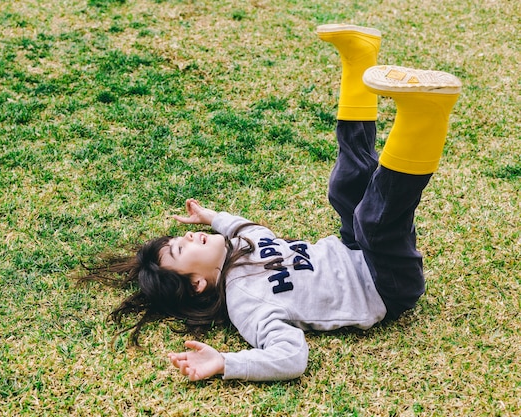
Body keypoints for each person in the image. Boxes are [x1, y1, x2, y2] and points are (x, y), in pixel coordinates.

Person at [77, 24, 462, 381]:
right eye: (181, 248)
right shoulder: (246, 304)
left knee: (344, 188)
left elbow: (246, 228)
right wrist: (227, 362)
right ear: (196, 283)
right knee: (374, 220)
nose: (190, 238)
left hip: (351, 248)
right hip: (385, 284)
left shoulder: (244, 247)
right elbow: (292, 357)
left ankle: (361, 59)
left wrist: (211, 216)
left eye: (183, 237)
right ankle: (425, 116)